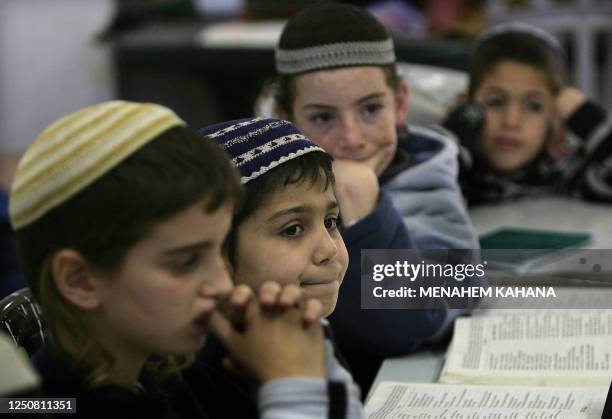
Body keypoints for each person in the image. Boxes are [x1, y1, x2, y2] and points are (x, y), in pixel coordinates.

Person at [9, 100, 361, 418]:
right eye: (186, 262)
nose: (222, 284)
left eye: (217, 252)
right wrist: (295, 389)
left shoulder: (151, 378)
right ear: (79, 280)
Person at [271, 2, 480, 393]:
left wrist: (364, 211)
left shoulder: (426, 178)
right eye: (322, 118)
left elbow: (417, 319)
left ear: (400, 104)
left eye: (370, 109)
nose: (352, 138)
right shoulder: (266, 191)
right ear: (286, 120)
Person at [198, 117, 363, 413]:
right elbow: (398, 326)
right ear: (216, 251)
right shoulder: (199, 379)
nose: (328, 249)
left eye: (331, 222)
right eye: (292, 230)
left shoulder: (303, 326)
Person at [442, 22, 612, 205]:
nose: (511, 121)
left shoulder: (562, 175)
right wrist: (455, 131)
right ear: (467, 105)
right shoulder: (458, 175)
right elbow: (417, 178)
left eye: (534, 106)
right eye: (496, 102)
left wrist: (586, 117)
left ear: (555, 119)